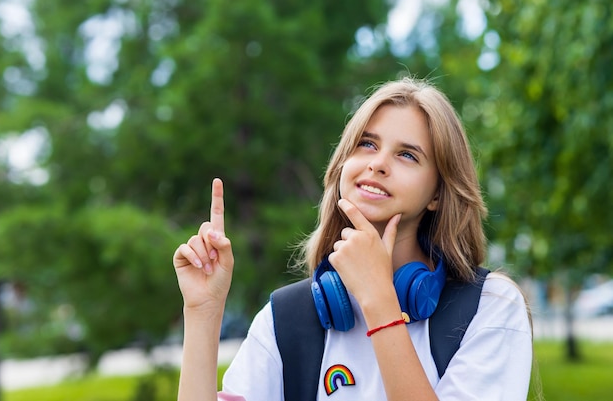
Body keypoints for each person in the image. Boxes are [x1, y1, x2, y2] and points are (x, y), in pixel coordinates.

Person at [172, 77, 533, 401]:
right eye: (366, 144)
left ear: (438, 193)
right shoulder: (285, 319)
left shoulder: (491, 306)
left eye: (407, 155)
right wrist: (203, 312)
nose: (378, 164)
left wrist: (380, 300)